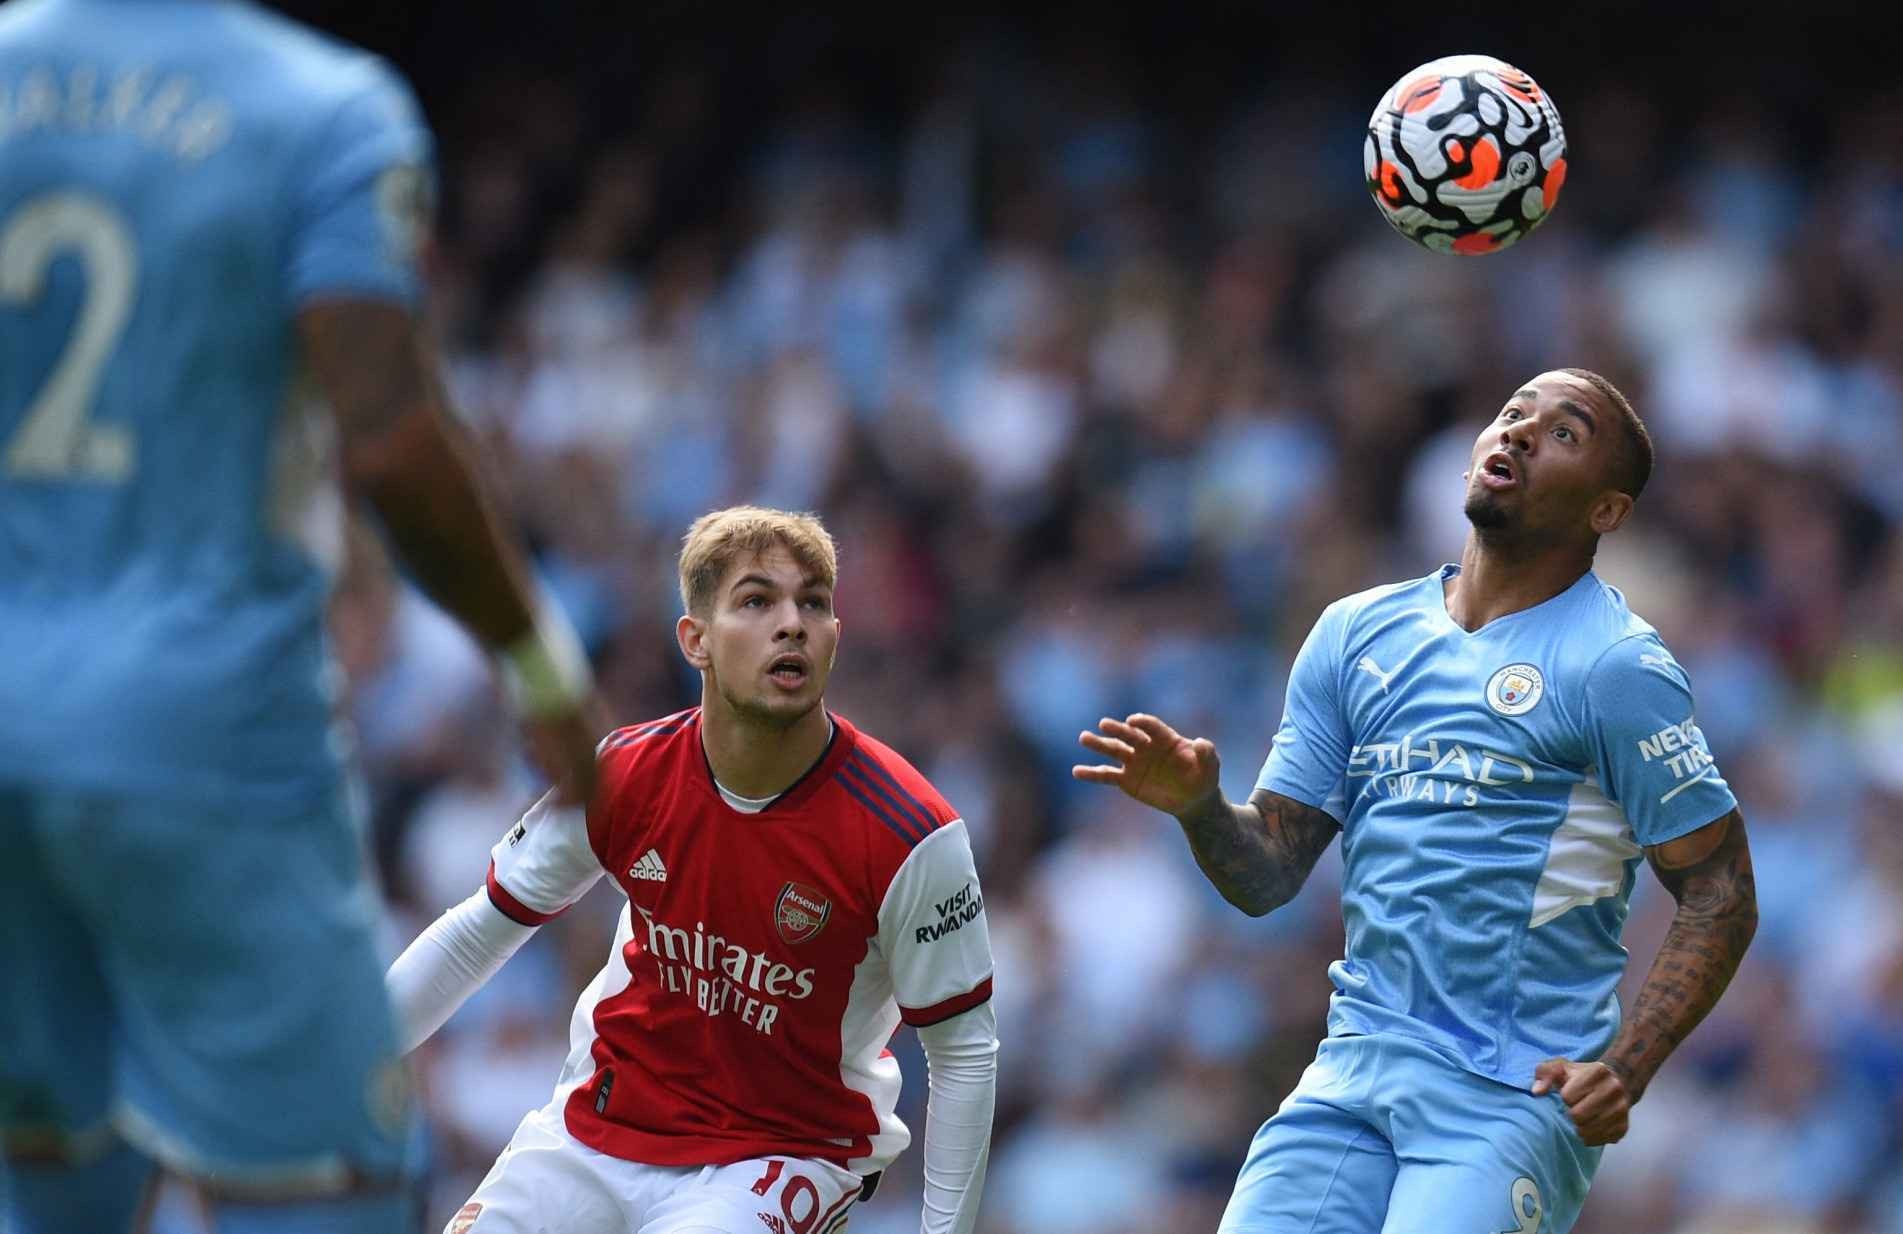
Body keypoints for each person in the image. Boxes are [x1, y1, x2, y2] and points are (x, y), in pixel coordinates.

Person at [0, 0, 600, 1232]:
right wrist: (536, 662)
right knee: (329, 1187)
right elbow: (386, 438)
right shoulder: (324, 111)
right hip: (203, 737)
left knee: (56, 1176)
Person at [1076, 369, 1758, 1234]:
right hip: (1349, 1075)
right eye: (1512, 413)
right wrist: (1200, 808)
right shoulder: (1356, 633)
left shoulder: (1616, 669)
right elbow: (1267, 877)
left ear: (1606, 512)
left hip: (1506, 1096)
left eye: (1562, 433)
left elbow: (1720, 893)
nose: (1515, 432)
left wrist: (1625, 1067)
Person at [385, 506, 998, 1234]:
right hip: (598, 1125)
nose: (792, 623)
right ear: (695, 640)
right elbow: (477, 932)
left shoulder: (909, 832)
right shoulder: (623, 774)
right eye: (756, 601)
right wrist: (337, 1068)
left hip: (782, 1155)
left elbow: (962, 1052)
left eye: (814, 603)